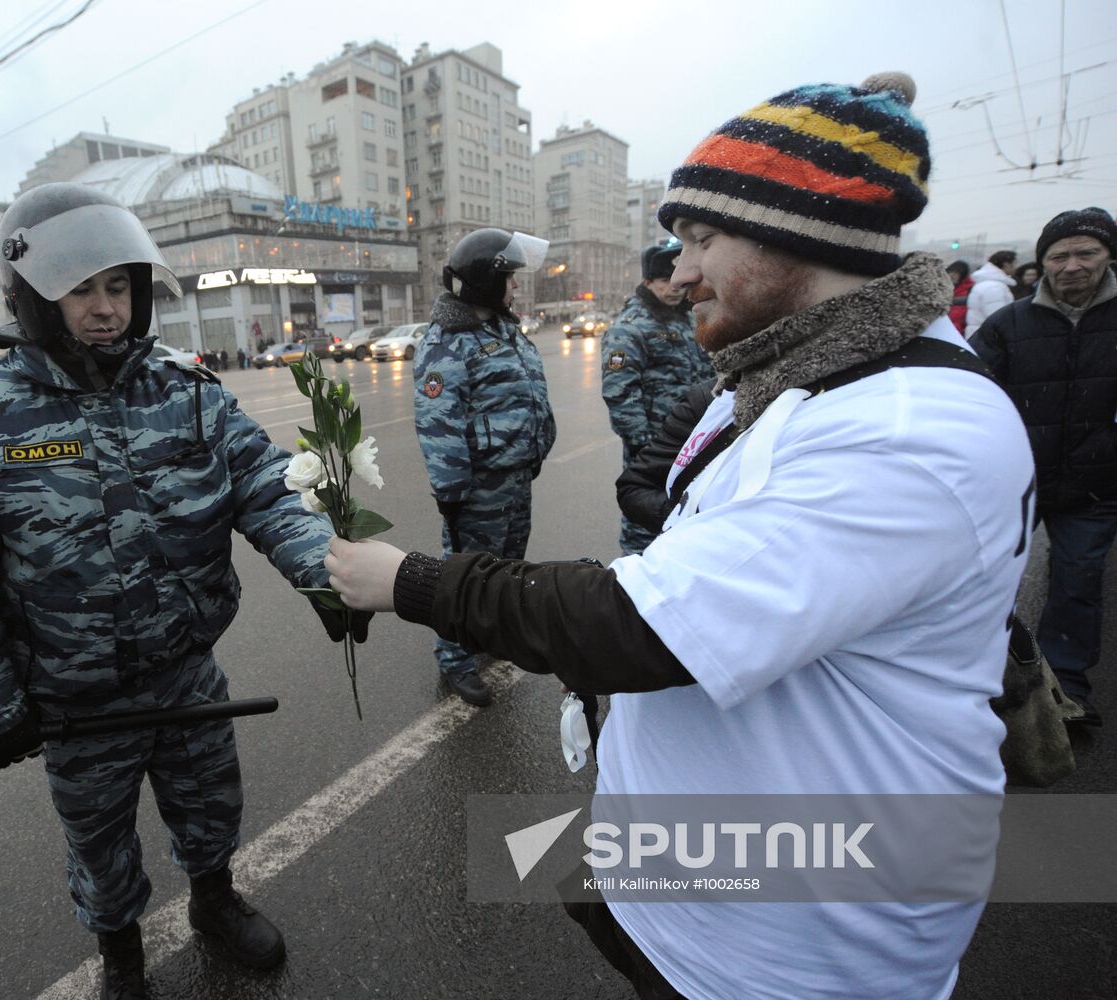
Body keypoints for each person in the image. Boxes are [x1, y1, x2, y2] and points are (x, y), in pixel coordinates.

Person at [326, 72, 1035, 1000]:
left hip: (794, 941)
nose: (679, 267)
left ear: (800, 232)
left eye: (702, 238)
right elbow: (684, 476)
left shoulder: (902, 428)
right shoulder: (797, 369)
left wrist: (411, 581)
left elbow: (643, 628)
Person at [0, 183, 362, 999]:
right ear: (31, 294)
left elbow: (269, 490)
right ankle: (121, 957)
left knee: (210, 807)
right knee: (100, 845)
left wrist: (327, 573)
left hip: (185, 673)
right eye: (81, 290)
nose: (104, 309)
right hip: (71, 700)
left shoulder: (188, 392)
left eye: (117, 287)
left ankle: (213, 902)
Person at [971, 206, 1117, 727]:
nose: (1071, 265)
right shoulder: (1010, 322)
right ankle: (984, 682)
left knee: (1078, 581)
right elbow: (968, 389)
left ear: (1108, 257)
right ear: (1042, 261)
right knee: (985, 579)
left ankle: (1067, 691)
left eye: (1086, 253)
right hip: (1018, 481)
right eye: (1059, 255)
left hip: (1097, 485)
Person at [412, 226, 556, 707]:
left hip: (515, 478)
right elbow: (438, 420)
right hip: (476, 489)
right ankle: (454, 657)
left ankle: (491, 639)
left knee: (507, 568)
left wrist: (533, 450)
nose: (515, 287)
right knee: (464, 575)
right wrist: (451, 492)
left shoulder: (498, 326)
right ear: (482, 280)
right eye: (509, 278)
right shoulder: (447, 340)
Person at [600, 241, 712, 555]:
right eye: (664, 281)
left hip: (695, 441)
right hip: (656, 447)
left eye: (674, 278)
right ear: (648, 282)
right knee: (644, 526)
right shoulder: (630, 329)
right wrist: (646, 445)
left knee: (684, 519)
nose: (673, 288)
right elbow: (620, 393)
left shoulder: (686, 318)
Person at [964, 249, 1017, 336]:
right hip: (988, 338)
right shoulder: (994, 287)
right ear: (1006, 265)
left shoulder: (987, 283)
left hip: (979, 335)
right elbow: (998, 318)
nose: (1016, 267)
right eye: (1015, 264)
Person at [946, 259, 972, 334]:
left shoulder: (968, 290)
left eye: (957, 273)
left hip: (956, 332)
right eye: (951, 271)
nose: (952, 275)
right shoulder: (939, 288)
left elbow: (958, 317)